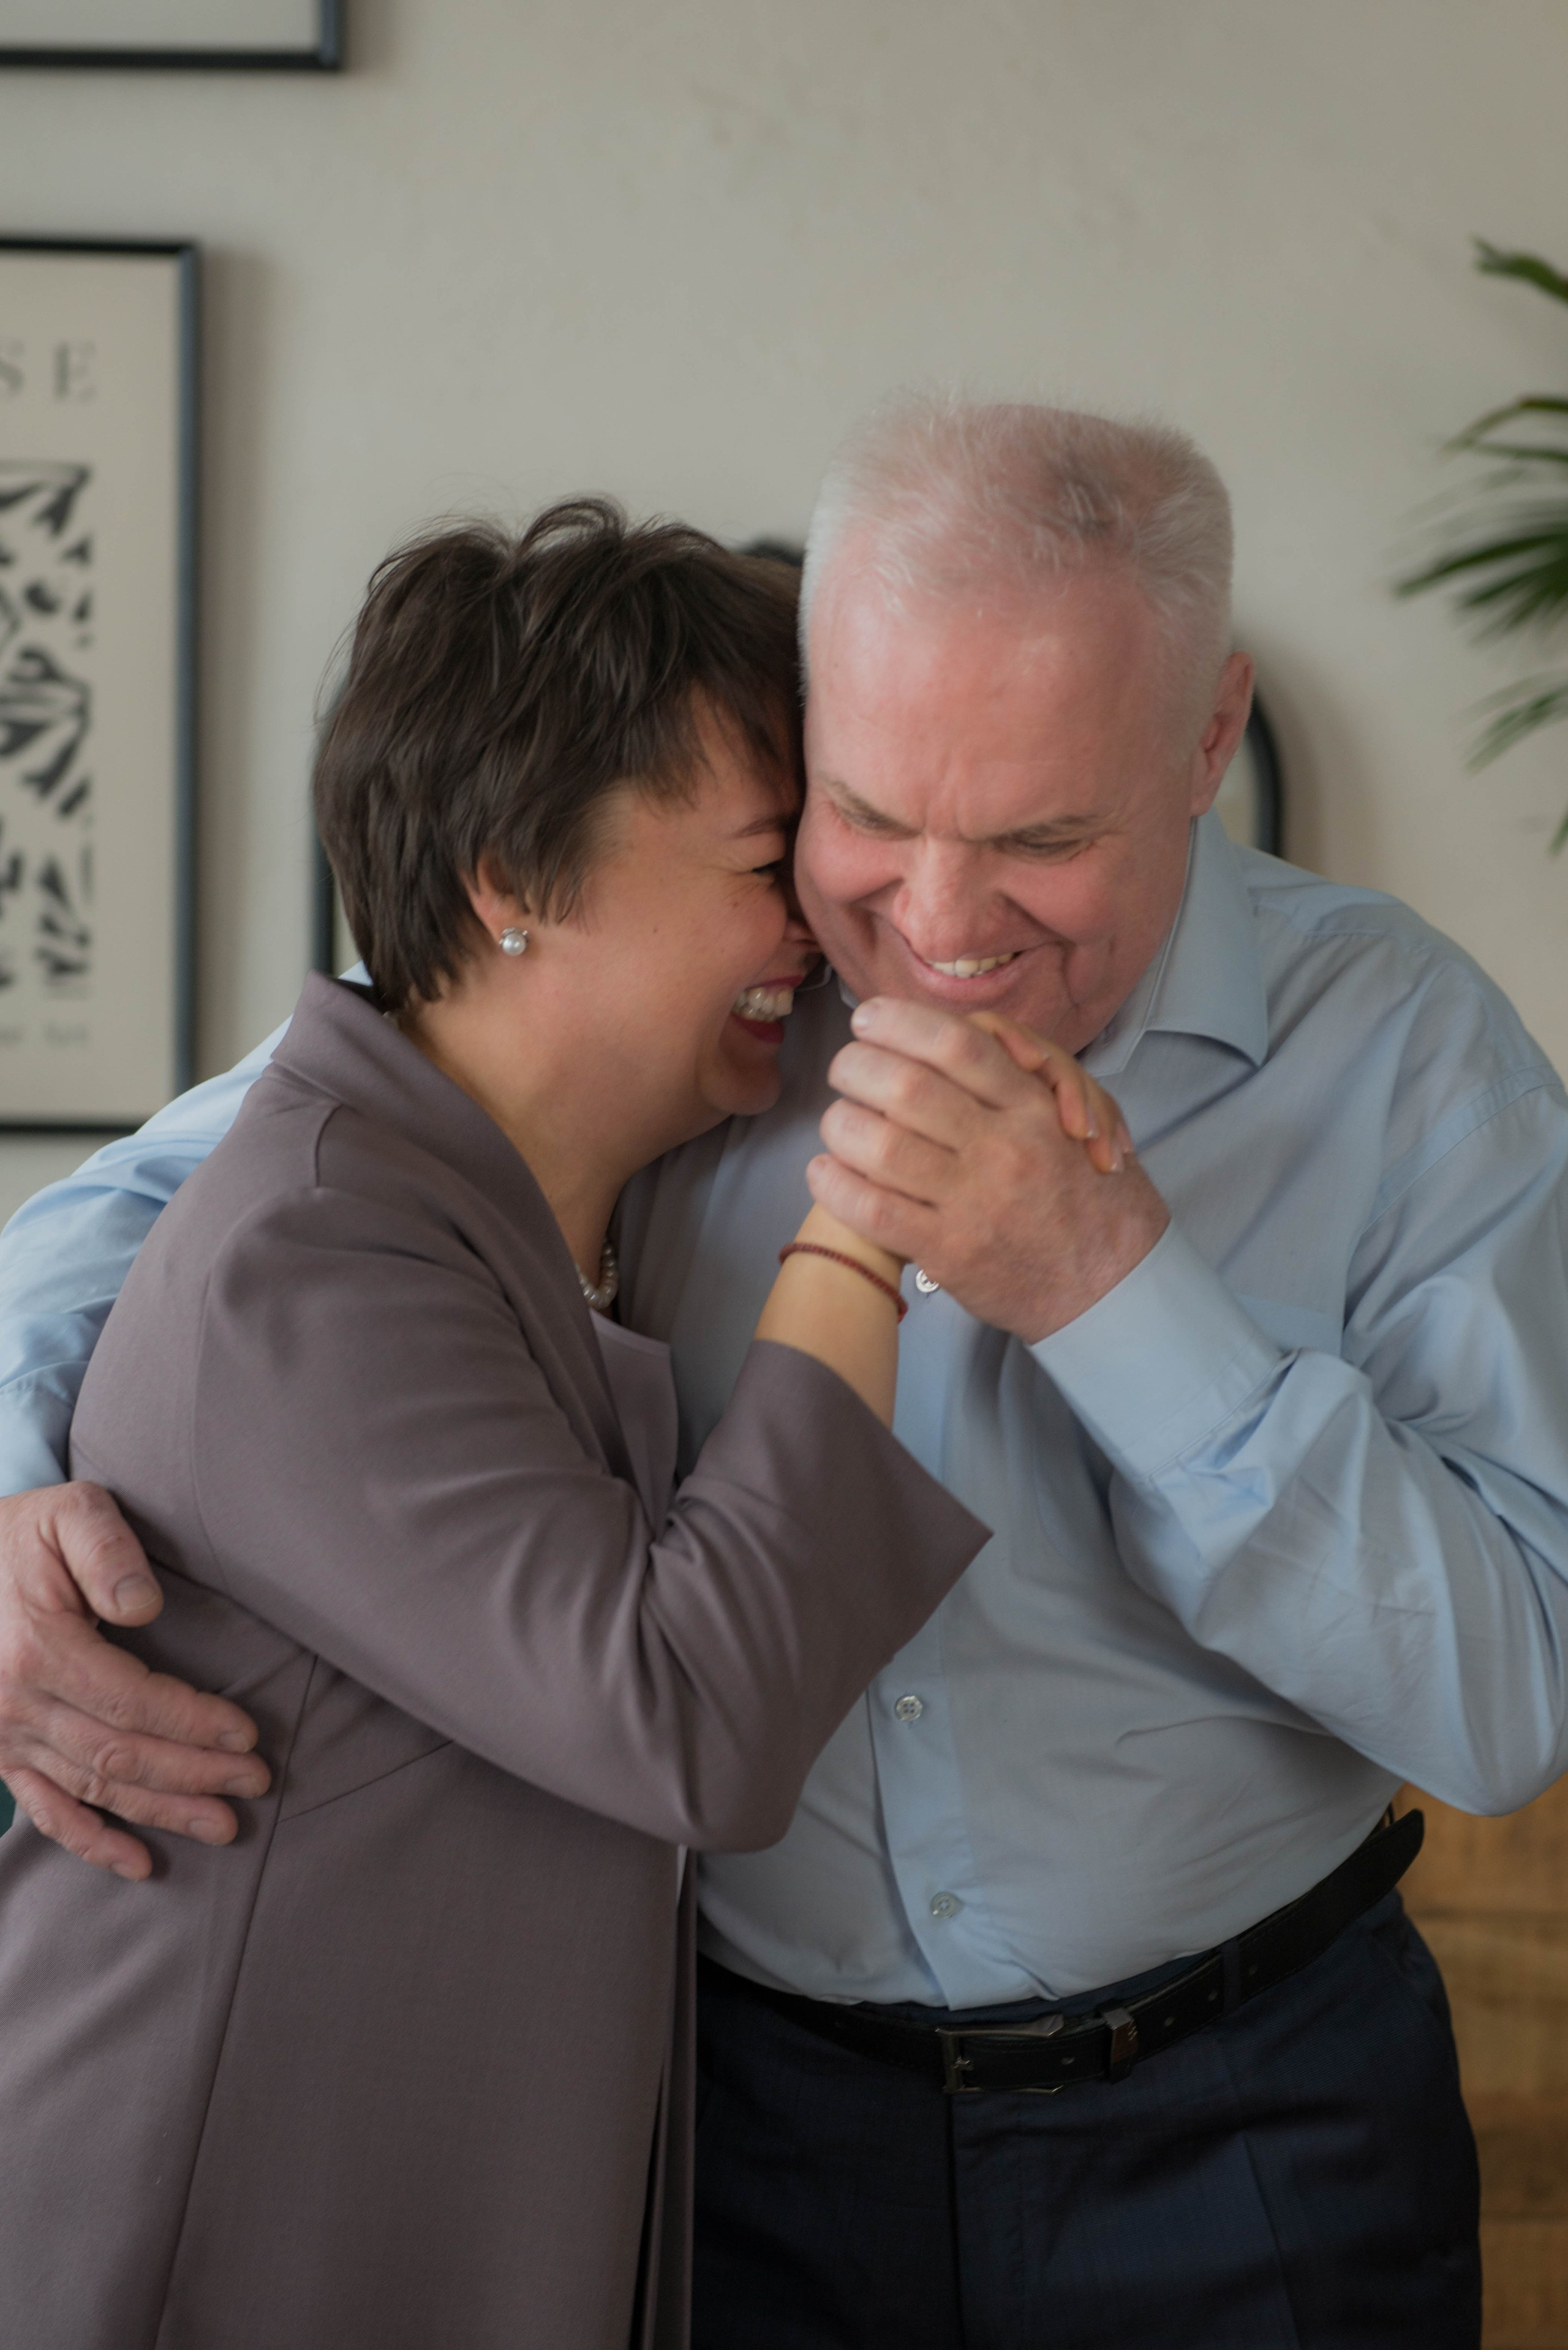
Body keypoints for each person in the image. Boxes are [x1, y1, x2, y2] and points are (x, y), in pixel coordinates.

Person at [4, 398, 1568, 2347]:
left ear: (1206, 742)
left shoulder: (1406, 1052)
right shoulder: (696, 988)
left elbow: (1510, 1704)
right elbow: (182, 1195)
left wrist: (1113, 1295)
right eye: (871, 818)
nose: (937, 926)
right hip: (734, 2139)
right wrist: (13, 1483)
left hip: (1249, 2124)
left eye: (1043, 840)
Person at [0, 499, 1010, 2350]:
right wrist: (867, 1215)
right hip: (212, 2234)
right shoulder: (314, 1251)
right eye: (767, 862)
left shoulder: (528, 1197)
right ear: (506, 880)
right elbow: (693, 1713)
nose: (820, 924)